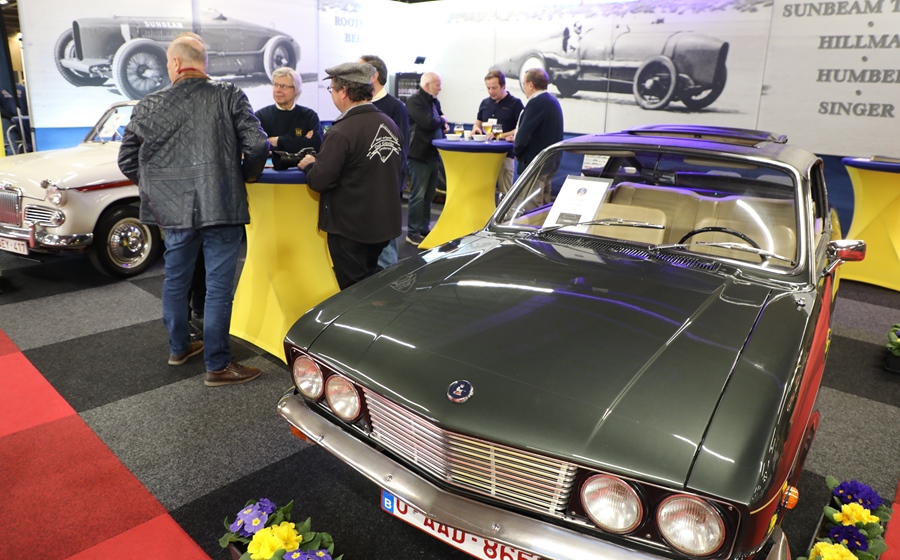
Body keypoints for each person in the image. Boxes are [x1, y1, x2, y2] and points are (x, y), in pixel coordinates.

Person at [117, 33, 269, 387]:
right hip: (222, 205)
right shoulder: (228, 94)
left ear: (174, 63)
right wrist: (244, 177)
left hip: (172, 212)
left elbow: (127, 160)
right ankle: (218, 365)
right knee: (217, 288)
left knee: (175, 281)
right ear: (204, 63)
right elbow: (258, 145)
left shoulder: (148, 104)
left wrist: (159, 189)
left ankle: (179, 348)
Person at [297, 62, 403, 290]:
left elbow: (320, 180)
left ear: (343, 92)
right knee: (370, 283)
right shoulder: (389, 124)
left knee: (353, 292)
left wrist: (309, 166)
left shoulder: (341, 131)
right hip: (383, 224)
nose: (332, 95)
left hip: (351, 228)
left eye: (332, 90)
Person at [359, 54, 409, 271]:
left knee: (386, 248)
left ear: (374, 75)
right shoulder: (360, 105)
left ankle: (388, 285)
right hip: (362, 187)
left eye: (359, 70)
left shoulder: (395, 107)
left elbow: (401, 151)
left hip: (386, 187)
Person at [404, 71, 448, 246]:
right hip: (418, 156)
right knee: (418, 196)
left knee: (429, 195)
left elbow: (440, 121)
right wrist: (441, 120)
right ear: (428, 85)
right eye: (438, 85)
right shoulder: (414, 101)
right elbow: (428, 122)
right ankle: (413, 232)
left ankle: (423, 228)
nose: (440, 88)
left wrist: (441, 121)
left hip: (432, 155)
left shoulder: (434, 102)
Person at [513, 67, 564, 206]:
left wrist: (517, 152)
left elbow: (524, 133)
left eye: (524, 84)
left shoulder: (536, 103)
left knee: (530, 207)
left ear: (531, 85)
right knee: (544, 205)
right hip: (550, 163)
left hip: (535, 164)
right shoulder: (553, 101)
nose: (524, 88)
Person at [471, 69, 523, 196]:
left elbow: (521, 128)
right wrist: (475, 129)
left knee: (505, 193)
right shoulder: (484, 103)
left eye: (494, 88)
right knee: (484, 190)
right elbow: (477, 123)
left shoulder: (515, 104)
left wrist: (500, 135)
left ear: (503, 86)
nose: (491, 91)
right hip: (485, 154)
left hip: (505, 155)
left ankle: (505, 210)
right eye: (488, 88)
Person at [254, 67, 323, 155]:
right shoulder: (260, 116)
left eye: (283, 86)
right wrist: (302, 142)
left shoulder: (309, 116)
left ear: (296, 89)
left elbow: (316, 145)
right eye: (275, 85)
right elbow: (258, 147)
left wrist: (277, 141)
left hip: (303, 164)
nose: (277, 90)